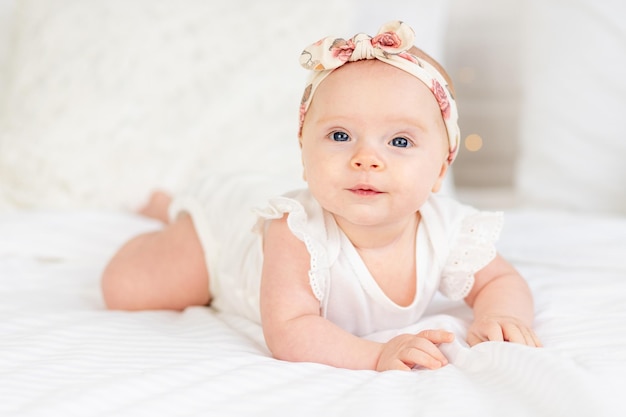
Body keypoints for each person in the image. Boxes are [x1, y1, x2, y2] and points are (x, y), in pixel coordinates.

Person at [101, 21, 541, 372]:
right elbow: (290, 329)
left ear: (441, 167)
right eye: (340, 135)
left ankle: (171, 205)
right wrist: (374, 356)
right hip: (225, 242)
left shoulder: (449, 232)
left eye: (400, 142)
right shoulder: (295, 232)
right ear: (304, 149)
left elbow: (500, 281)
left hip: (251, 196)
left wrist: (501, 315)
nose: (367, 158)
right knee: (125, 289)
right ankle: (174, 213)